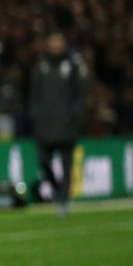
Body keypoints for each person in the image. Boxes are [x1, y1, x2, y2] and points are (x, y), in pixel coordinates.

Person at [29, 31, 89, 217]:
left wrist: (74, 115)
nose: (55, 45)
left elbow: (82, 93)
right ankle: (56, 190)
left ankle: (63, 202)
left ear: (64, 44)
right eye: (52, 41)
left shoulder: (74, 64)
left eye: (58, 41)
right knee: (43, 162)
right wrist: (36, 114)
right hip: (45, 124)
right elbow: (34, 92)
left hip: (66, 124)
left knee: (66, 164)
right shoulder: (41, 65)